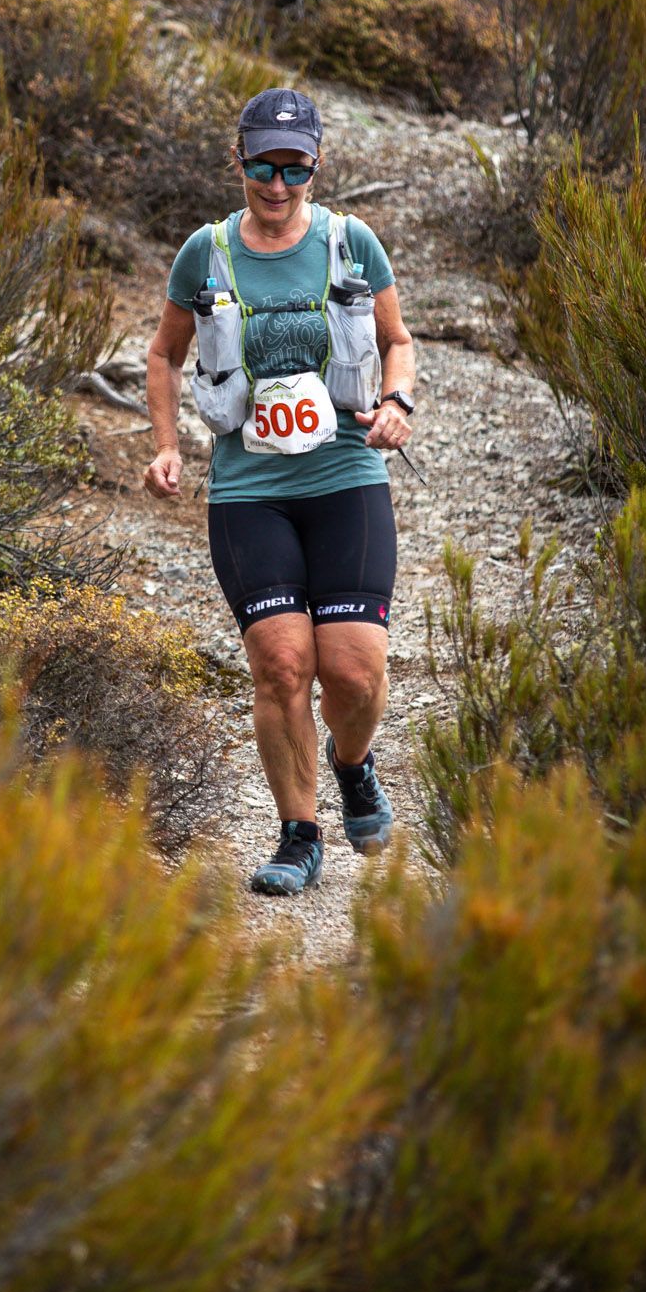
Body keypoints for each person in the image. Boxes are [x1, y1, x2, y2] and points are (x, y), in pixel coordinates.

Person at [144, 87, 416, 895]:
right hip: (247, 491)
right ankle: (299, 835)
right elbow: (162, 355)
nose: (274, 182)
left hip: (344, 477)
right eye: (260, 163)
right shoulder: (206, 252)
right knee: (280, 664)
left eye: (291, 166)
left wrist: (397, 403)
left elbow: (398, 340)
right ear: (237, 160)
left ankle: (353, 765)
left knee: (354, 675)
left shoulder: (349, 242)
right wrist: (166, 447)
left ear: (314, 164)